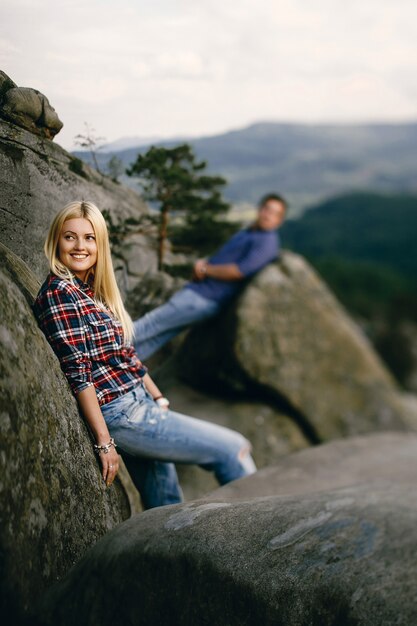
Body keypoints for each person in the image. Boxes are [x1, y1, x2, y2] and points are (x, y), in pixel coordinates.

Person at [33, 201, 256, 510]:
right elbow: (78, 374)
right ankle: (258, 536)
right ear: (56, 240)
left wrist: (157, 396)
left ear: (100, 243)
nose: (80, 246)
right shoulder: (60, 293)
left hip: (141, 402)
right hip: (123, 414)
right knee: (234, 448)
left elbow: (125, 354)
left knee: (165, 504)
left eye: (90, 237)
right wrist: (105, 442)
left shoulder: (91, 290)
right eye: (70, 237)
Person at [133, 193, 287, 359]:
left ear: (279, 220)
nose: (267, 215)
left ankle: (102, 345)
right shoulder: (251, 232)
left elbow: (239, 271)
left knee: (147, 325)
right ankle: (117, 372)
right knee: (155, 337)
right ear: (260, 209)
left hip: (205, 297)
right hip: (201, 295)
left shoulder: (266, 241)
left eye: (274, 213)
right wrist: (204, 265)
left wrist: (205, 270)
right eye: (266, 209)